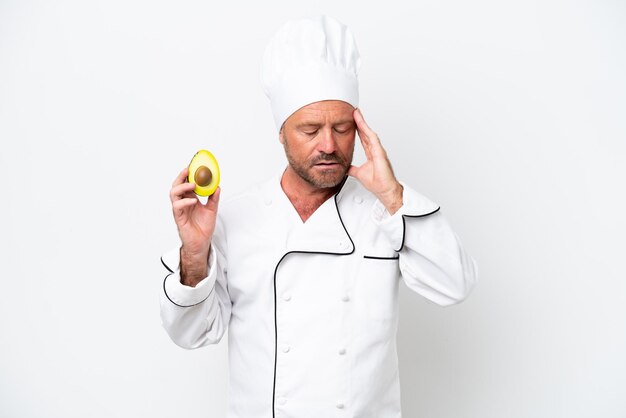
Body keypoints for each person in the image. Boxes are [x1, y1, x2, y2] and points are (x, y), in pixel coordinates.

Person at [159, 15, 477, 418]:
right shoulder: (235, 218)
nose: (329, 144)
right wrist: (194, 252)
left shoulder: (385, 212)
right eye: (310, 130)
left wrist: (394, 196)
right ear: (281, 132)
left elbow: (456, 284)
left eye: (342, 128)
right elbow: (190, 333)